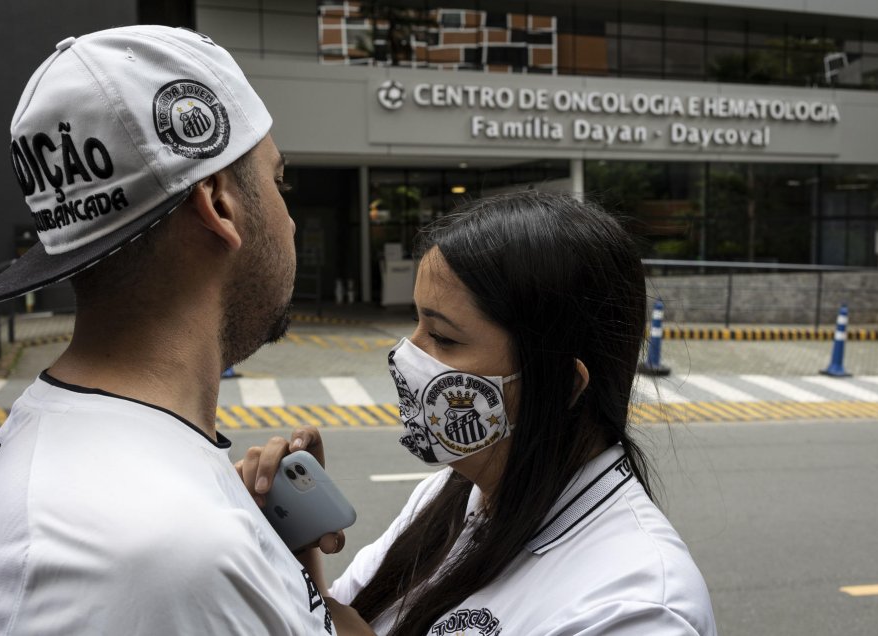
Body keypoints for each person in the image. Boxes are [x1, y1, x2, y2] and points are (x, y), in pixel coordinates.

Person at [0, 25, 369, 635]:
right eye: (279, 182)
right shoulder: (169, 557)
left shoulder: (76, 463)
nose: (293, 222)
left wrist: (277, 560)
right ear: (220, 205)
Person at [243, 191, 717, 635]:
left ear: (562, 385)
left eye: (444, 338)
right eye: (417, 324)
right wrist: (295, 550)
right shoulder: (455, 495)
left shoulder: (639, 608)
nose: (407, 355)